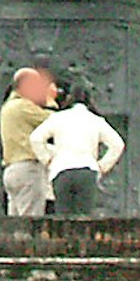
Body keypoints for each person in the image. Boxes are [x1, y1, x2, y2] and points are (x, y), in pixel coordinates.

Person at [31, 87, 124, 217]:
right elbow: (117, 144)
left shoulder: (58, 117)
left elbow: (35, 138)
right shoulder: (95, 120)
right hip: (87, 170)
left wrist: (47, 159)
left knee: (63, 217)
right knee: (84, 217)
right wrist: (102, 166)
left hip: (61, 170)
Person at [0, 66, 57, 218]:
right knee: (31, 219)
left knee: (15, 220)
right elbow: (53, 121)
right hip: (28, 167)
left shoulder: (7, 107)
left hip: (11, 168)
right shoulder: (23, 106)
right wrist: (50, 101)